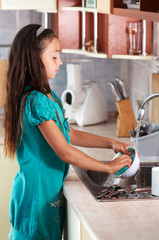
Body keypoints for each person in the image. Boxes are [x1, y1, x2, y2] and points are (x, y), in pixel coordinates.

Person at [4, 24, 132, 240]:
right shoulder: (36, 101)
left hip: (45, 193)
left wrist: (110, 143)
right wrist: (107, 166)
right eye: (54, 57)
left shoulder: (47, 95)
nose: (60, 62)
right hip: (37, 198)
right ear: (35, 59)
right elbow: (65, 151)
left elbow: (69, 133)